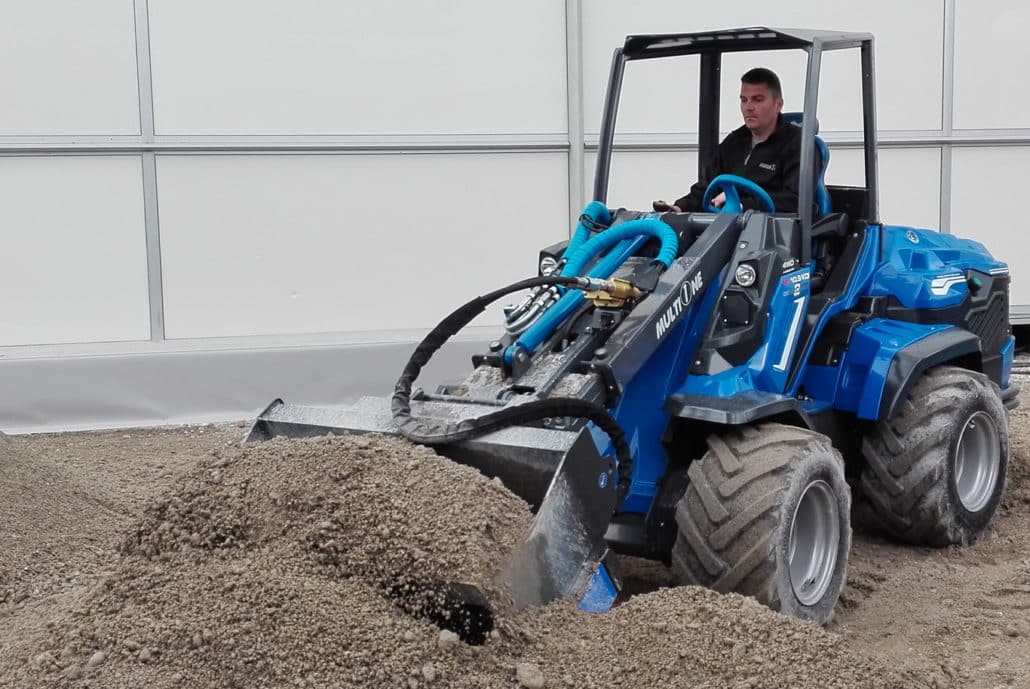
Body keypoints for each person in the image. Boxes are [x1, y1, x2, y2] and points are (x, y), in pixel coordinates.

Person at [654, 67, 801, 214]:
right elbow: (707, 187)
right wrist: (681, 207)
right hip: (728, 226)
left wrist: (742, 204)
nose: (748, 107)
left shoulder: (799, 145)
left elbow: (797, 200)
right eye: (744, 100)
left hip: (773, 231)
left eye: (757, 100)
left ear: (778, 105)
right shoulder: (734, 142)